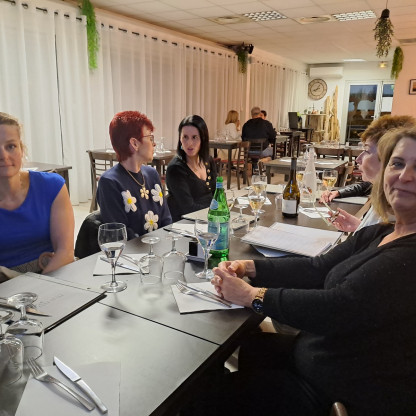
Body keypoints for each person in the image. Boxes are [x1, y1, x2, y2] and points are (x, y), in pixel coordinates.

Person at [195, 126, 416, 416]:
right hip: (319, 357)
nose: (405, 176)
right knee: (253, 347)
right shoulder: (383, 231)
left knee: (202, 399)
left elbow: (336, 307)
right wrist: (249, 267)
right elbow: (318, 267)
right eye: (397, 163)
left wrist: (252, 296)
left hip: (338, 392)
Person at [0, 112, 74, 278]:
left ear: (21, 149)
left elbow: (65, 252)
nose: (3, 156)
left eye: (10, 146)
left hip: (54, 272)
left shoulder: (52, 186)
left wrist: (39, 288)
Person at [320, 114, 416, 233]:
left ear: (386, 158)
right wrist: (360, 227)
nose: (358, 159)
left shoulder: (397, 214)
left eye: (366, 151)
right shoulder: (382, 199)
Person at [97, 111, 172, 240]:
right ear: (134, 143)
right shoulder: (109, 182)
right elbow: (121, 235)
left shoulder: (152, 174)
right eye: (150, 138)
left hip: (161, 246)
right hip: (133, 251)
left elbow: (167, 220)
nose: (154, 144)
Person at [166, 115, 217, 222]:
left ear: (203, 139)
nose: (189, 143)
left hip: (210, 219)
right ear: (180, 139)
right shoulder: (175, 169)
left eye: (194, 137)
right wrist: (216, 210)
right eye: (185, 137)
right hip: (186, 224)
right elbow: (189, 209)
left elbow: (217, 194)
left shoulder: (208, 161)